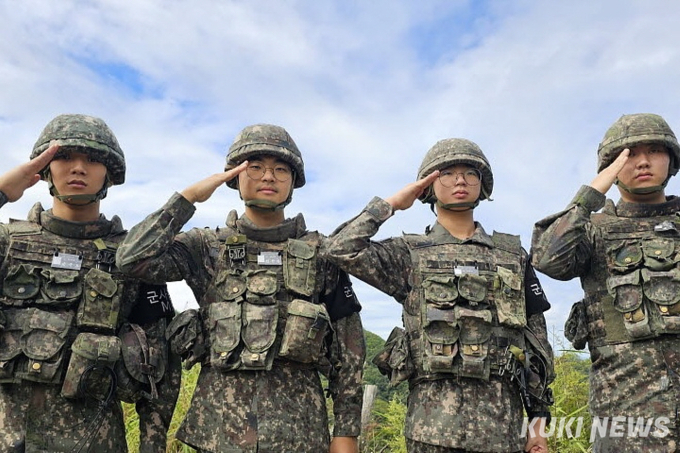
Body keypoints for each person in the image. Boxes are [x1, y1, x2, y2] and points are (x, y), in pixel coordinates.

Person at [115, 123, 365, 453]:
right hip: (217, 433)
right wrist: (187, 199)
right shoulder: (205, 247)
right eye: (255, 167)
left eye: (280, 169)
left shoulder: (321, 253)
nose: (268, 177)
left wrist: (346, 433)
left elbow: (349, 348)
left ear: (293, 182)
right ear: (235, 177)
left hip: (299, 434)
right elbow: (130, 259)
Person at [326, 138, 554, 453]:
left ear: (482, 184)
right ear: (428, 186)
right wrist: (391, 204)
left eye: (470, 173)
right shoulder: (407, 254)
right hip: (430, 433)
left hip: (503, 433)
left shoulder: (512, 256)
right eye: (447, 173)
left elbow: (536, 348)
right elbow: (339, 248)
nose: (460, 180)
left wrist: (538, 425)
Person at [0, 114, 180, 452]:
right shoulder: (9, 243)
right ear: (45, 168)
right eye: (64, 157)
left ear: (109, 173)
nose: (78, 168)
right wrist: (2, 191)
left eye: (93, 159)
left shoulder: (131, 257)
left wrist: (151, 447)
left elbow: (160, 370)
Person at [532, 113, 680, 452]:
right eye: (627, 154)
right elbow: (547, 259)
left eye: (655, 150)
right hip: (625, 417)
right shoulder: (594, 230)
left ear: (672, 160)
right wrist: (591, 194)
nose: (642, 161)